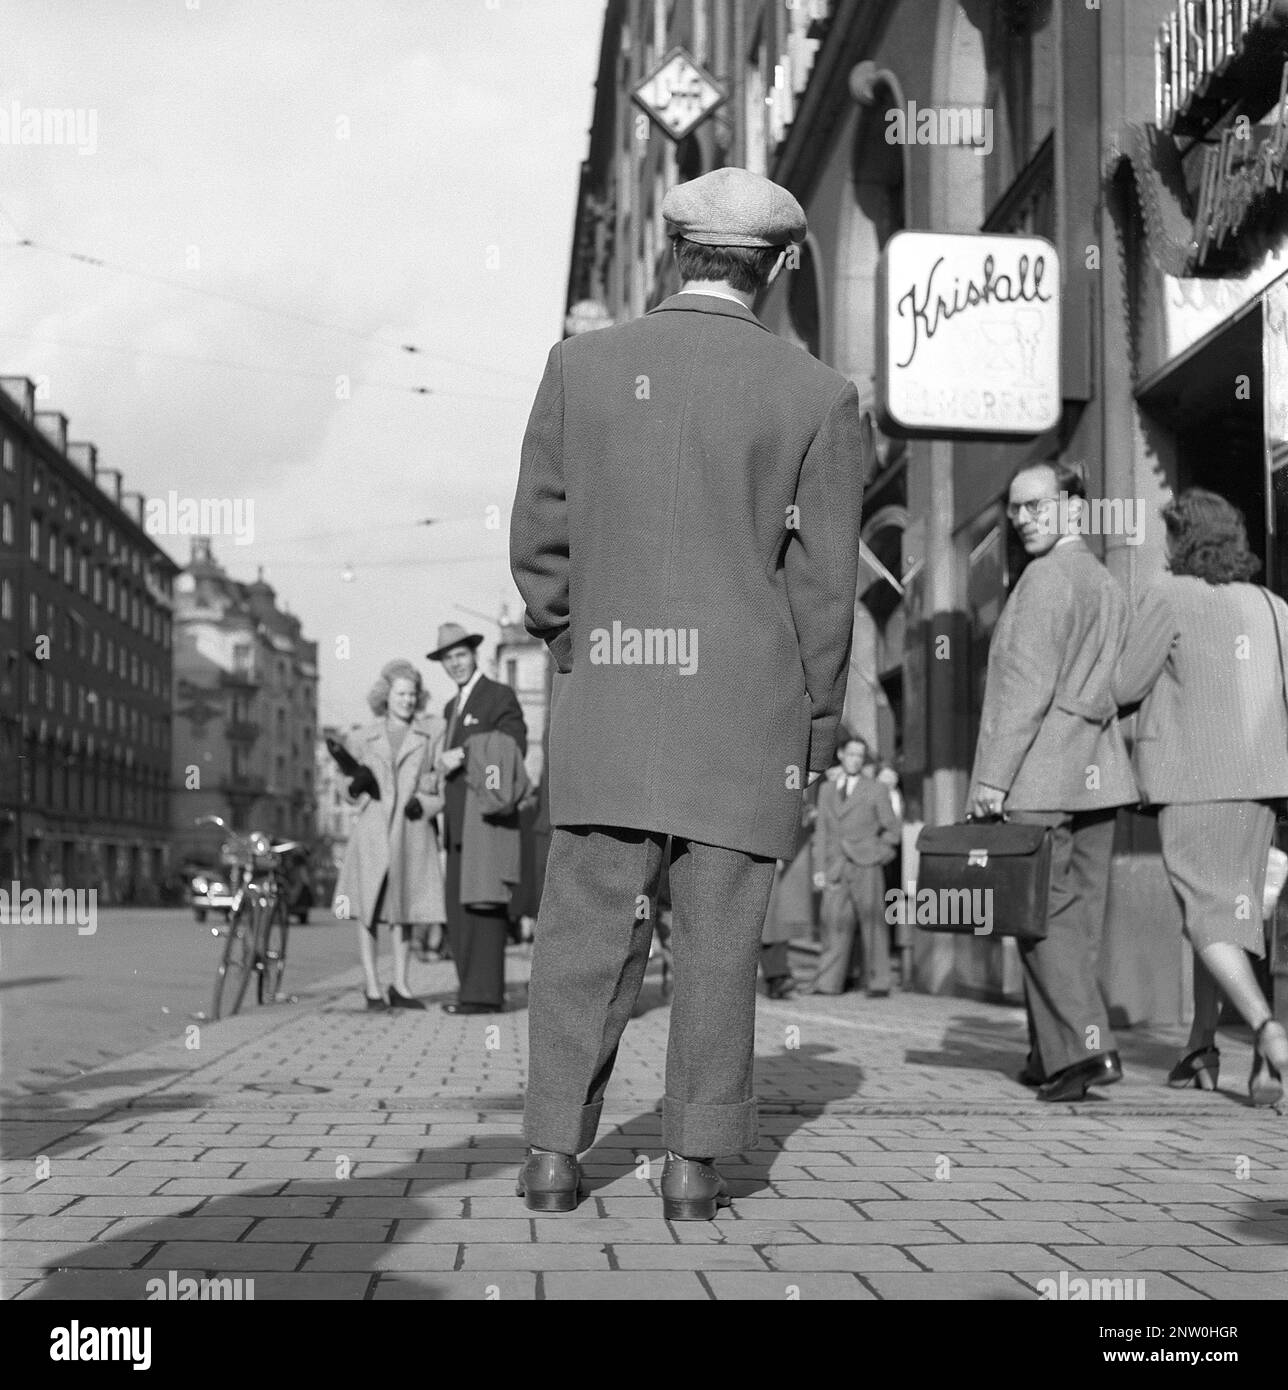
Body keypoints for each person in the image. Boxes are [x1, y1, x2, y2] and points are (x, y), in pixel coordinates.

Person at [510, 165, 868, 1219]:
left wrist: (583, 649)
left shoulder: (580, 367)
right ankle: (694, 1169)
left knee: (583, 938)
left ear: (674, 251)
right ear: (782, 263)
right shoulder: (817, 395)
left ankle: (549, 1159)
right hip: (744, 718)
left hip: (610, 707)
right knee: (718, 950)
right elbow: (825, 591)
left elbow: (540, 545)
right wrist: (810, 728)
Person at [968, 460, 1137, 1102]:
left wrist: (991, 779)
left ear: (1072, 507)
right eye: (1015, 509)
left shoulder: (1043, 581)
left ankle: (1087, 1051)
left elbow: (1023, 693)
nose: (1021, 519)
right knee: (1074, 922)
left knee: (1037, 916)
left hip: (1040, 774)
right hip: (1100, 774)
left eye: (1035, 506)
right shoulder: (1105, 581)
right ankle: (1051, 1053)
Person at [1113, 488, 1288, 1105]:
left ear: (1184, 540)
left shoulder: (1168, 595)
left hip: (1194, 780)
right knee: (1232, 913)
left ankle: (1269, 1035)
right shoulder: (1272, 605)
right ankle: (1200, 1049)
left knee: (1206, 912)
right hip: (1264, 784)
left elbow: (1124, 684)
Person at [427, 622, 528, 1016]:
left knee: (484, 906)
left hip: (485, 822)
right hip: (455, 824)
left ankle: (485, 996)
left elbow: (513, 747)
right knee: (459, 910)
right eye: (447, 659)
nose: (455, 664)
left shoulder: (498, 696)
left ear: (473, 654)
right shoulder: (451, 707)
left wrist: (465, 754)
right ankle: (469, 989)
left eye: (460, 655)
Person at [334, 659, 445, 1010]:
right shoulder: (362, 736)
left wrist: (425, 805)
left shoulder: (430, 735)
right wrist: (356, 785)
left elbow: (437, 782)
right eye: (401, 693)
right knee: (368, 908)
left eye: (413, 694)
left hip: (410, 830)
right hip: (372, 832)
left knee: (404, 908)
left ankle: (401, 984)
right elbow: (344, 786)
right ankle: (371, 985)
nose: (407, 700)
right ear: (386, 695)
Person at [805, 734, 900, 997]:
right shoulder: (826, 790)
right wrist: (819, 871)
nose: (855, 760)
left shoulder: (876, 789)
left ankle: (879, 983)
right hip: (835, 865)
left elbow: (893, 830)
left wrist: (878, 854)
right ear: (841, 755)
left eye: (860, 756)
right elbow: (821, 831)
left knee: (873, 924)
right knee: (832, 924)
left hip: (866, 865)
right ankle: (828, 983)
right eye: (851, 754)